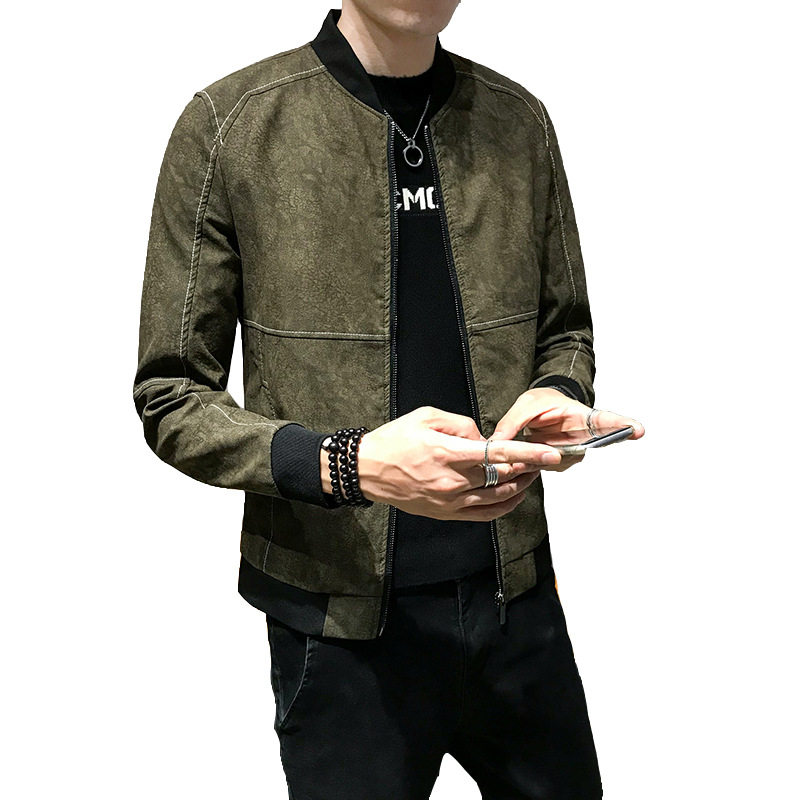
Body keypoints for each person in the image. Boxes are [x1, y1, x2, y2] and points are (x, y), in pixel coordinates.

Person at [133, 2, 645, 797]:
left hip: (516, 601)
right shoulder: (231, 124)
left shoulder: (518, 121)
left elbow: (564, 330)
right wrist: (348, 463)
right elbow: (172, 397)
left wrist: (557, 392)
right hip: (338, 633)